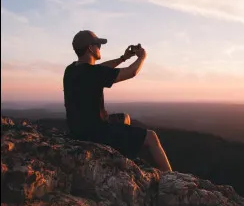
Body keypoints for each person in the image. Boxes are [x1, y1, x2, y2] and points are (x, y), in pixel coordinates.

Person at [63, 30, 172, 172]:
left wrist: (123, 57)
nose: (100, 48)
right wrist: (142, 57)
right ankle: (171, 178)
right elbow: (131, 72)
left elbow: (100, 69)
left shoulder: (71, 70)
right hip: (94, 133)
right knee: (151, 137)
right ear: (90, 48)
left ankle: (123, 153)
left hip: (77, 129)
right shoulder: (92, 73)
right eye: (98, 45)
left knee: (125, 118)